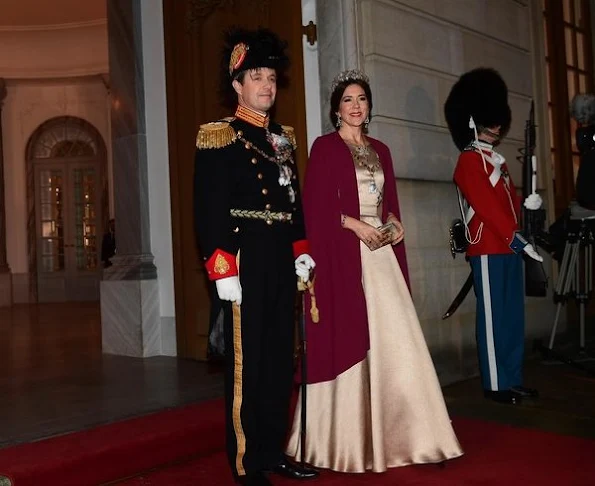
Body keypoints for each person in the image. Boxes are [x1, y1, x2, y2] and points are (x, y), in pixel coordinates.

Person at [285, 69, 463, 472]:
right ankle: (344, 442)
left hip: (381, 255)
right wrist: (355, 225)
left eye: (361, 99)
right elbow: (314, 209)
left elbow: (389, 203)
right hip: (346, 254)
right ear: (336, 109)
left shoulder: (381, 149)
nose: (355, 105)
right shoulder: (325, 148)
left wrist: (394, 225)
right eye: (347, 99)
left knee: (398, 339)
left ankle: (415, 435)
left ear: (369, 107)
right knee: (350, 332)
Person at [193, 28, 318, 486]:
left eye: (271, 76)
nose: (267, 84)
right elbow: (207, 210)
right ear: (237, 85)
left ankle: (272, 451)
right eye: (256, 77)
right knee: (247, 367)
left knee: (279, 362)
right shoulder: (219, 137)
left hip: (281, 262)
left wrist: (301, 252)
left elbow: (293, 203)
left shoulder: (283, 139)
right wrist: (221, 267)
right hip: (244, 261)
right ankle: (246, 463)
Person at [444, 67, 543, 405]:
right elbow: (486, 207)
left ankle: (512, 377)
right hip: (487, 245)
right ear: (474, 118)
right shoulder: (469, 161)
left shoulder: (496, 161)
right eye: (490, 116)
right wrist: (515, 237)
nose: (497, 124)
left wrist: (530, 207)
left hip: (509, 246)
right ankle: (495, 383)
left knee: (513, 316)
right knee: (493, 318)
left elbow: (509, 206)